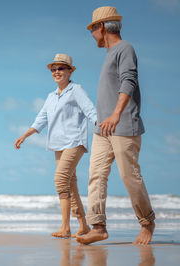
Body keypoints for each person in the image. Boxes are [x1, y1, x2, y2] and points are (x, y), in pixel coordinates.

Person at [76, 6, 155, 245]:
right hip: (103, 129)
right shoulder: (109, 54)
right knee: (96, 175)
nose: (91, 34)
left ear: (101, 27)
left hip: (122, 125)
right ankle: (98, 226)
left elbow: (128, 81)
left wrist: (116, 114)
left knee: (128, 175)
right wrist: (103, 120)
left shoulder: (124, 49)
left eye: (92, 29)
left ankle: (147, 221)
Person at [14, 54, 97, 238]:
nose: (57, 72)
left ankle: (65, 228)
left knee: (60, 180)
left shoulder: (76, 90)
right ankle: (83, 225)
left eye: (61, 68)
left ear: (69, 71)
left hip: (75, 142)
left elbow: (90, 110)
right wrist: (24, 136)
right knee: (70, 184)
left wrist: (102, 125)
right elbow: (41, 119)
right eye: (54, 69)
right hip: (58, 144)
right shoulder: (51, 96)